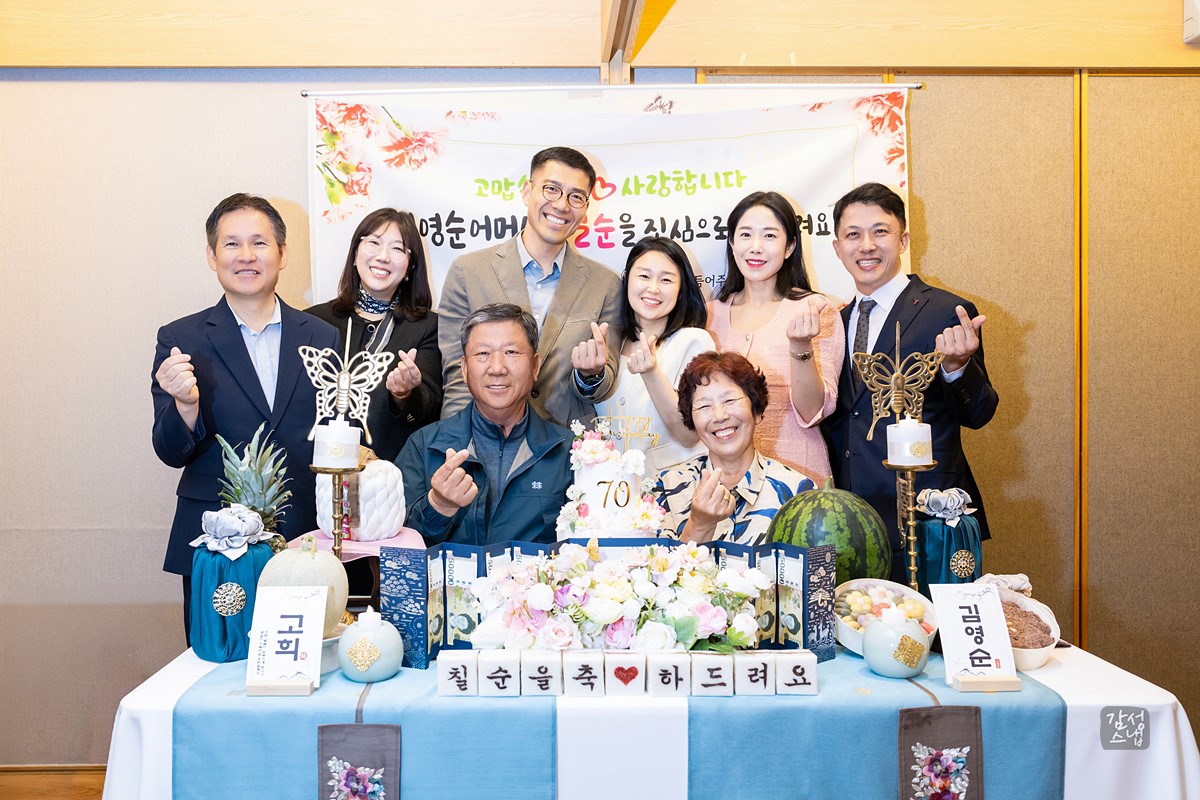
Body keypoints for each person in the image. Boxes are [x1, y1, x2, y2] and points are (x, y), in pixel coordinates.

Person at [152, 193, 339, 637]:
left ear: (282, 253)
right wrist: (185, 406)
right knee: (220, 658)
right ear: (212, 255)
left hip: (304, 537)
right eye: (232, 244)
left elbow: (335, 434)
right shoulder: (181, 339)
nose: (246, 256)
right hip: (215, 542)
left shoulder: (322, 336)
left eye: (259, 242)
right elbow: (170, 451)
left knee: (304, 656)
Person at [820, 182, 998, 583]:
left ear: (903, 240)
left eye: (880, 231)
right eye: (853, 234)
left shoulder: (946, 311)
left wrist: (957, 367)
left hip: (926, 517)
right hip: (852, 524)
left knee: (932, 624)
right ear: (837, 248)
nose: (866, 245)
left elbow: (980, 413)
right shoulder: (834, 321)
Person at [437, 146, 621, 428]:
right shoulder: (468, 271)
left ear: (586, 208)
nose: (562, 205)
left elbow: (604, 384)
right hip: (484, 438)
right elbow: (457, 377)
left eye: (576, 196)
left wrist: (590, 375)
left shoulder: (606, 285)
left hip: (567, 443)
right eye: (551, 189)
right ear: (527, 192)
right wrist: (455, 442)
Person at [398, 303, 573, 546]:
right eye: (482, 354)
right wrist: (438, 506)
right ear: (464, 368)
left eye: (511, 352)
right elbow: (393, 547)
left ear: (535, 366)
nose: (497, 368)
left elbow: (587, 547)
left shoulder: (568, 452)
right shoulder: (424, 446)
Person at [708, 191, 844, 485]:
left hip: (799, 480)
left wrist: (800, 346)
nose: (756, 247)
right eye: (745, 235)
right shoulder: (709, 316)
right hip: (724, 482)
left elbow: (812, 412)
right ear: (732, 243)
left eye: (769, 236)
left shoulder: (816, 310)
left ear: (789, 246)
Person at [305, 208, 442, 463]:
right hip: (320, 471)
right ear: (355, 254)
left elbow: (429, 411)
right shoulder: (313, 322)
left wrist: (404, 394)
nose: (383, 256)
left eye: (397, 249)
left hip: (393, 474)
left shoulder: (428, 327)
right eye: (374, 243)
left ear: (410, 267)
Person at [653, 351, 815, 545]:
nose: (719, 416)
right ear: (692, 421)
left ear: (756, 412)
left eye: (730, 401)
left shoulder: (799, 493)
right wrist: (699, 524)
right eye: (704, 406)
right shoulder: (666, 487)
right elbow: (654, 564)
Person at [591, 236, 715, 474]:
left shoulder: (694, 342)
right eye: (644, 276)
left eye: (666, 279)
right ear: (626, 279)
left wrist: (651, 372)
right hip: (609, 487)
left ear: (681, 290)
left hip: (672, 488)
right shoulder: (609, 344)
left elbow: (689, 435)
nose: (653, 288)